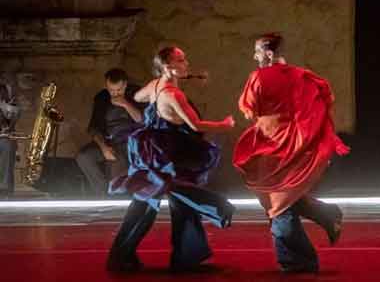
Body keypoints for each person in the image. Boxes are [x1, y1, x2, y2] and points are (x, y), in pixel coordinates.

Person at [106, 46, 236, 273]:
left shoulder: (155, 86)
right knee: (155, 202)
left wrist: (156, 110)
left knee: (156, 202)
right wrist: (225, 125)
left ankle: (173, 258)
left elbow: (137, 96)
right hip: (167, 155)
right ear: (168, 67)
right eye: (181, 60)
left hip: (152, 151)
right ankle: (128, 257)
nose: (187, 63)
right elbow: (196, 124)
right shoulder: (172, 94)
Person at [233, 33, 350, 274]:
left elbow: (248, 109)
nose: (254, 56)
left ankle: (300, 261)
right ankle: (326, 215)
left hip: (272, 146)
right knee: (283, 198)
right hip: (296, 146)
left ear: (268, 53)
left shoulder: (259, 76)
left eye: (256, 52)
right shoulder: (302, 76)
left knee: (278, 204)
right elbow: (325, 98)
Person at [76, 68, 144, 197]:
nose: (115, 94)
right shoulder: (102, 97)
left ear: (125, 84)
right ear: (106, 85)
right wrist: (103, 147)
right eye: (111, 90)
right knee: (84, 156)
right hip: (108, 140)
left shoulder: (137, 93)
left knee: (116, 166)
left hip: (130, 142)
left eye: (119, 90)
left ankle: (119, 195)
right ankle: (101, 194)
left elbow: (142, 120)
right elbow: (94, 127)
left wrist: (125, 104)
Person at [0, 78, 20, 198]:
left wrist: (5, 107)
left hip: (5, 137)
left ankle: (5, 188)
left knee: (8, 145)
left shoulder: (10, 106)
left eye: (3, 92)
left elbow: (13, 119)